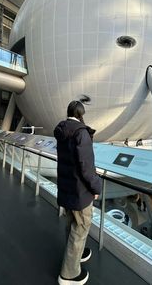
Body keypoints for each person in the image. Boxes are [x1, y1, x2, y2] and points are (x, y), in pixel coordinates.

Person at [54, 100, 102, 285]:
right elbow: (86, 167)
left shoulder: (61, 130)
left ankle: (78, 254)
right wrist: (96, 188)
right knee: (81, 227)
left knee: (72, 224)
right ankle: (69, 274)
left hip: (66, 188)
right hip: (80, 191)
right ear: (81, 114)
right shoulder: (81, 133)